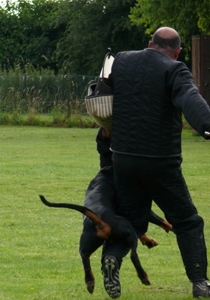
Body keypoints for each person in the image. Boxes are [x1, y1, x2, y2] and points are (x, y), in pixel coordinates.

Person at [107, 27, 210, 298]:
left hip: (124, 158)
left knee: (131, 221)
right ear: (177, 52)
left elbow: (102, 97)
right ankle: (200, 282)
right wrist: (207, 126)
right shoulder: (175, 69)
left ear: (150, 43)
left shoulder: (122, 60)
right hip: (160, 162)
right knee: (187, 222)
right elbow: (190, 97)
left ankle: (112, 261)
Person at [96, 126, 173, 299]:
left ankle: (112, 257)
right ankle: (114, 255)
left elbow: (105, 131)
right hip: (129, 169)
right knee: (134, 211)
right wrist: (165, 224)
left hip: (107, 179)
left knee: (119, 216)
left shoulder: (105, 134)